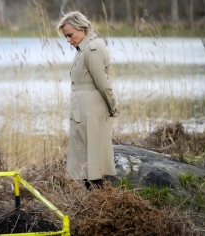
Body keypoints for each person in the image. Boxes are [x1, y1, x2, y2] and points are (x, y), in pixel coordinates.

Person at [57, 11, 121, 190]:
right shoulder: (83, 49)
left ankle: (99, 204)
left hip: (90, 112)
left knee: (93, 162)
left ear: (82, 28)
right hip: (83, 112)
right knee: (86, 161)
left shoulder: (92, 48)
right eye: (66, 37)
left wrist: (113, 107)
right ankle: (93, 204)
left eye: (70, 35)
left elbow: (103, 84)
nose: (68, 40)